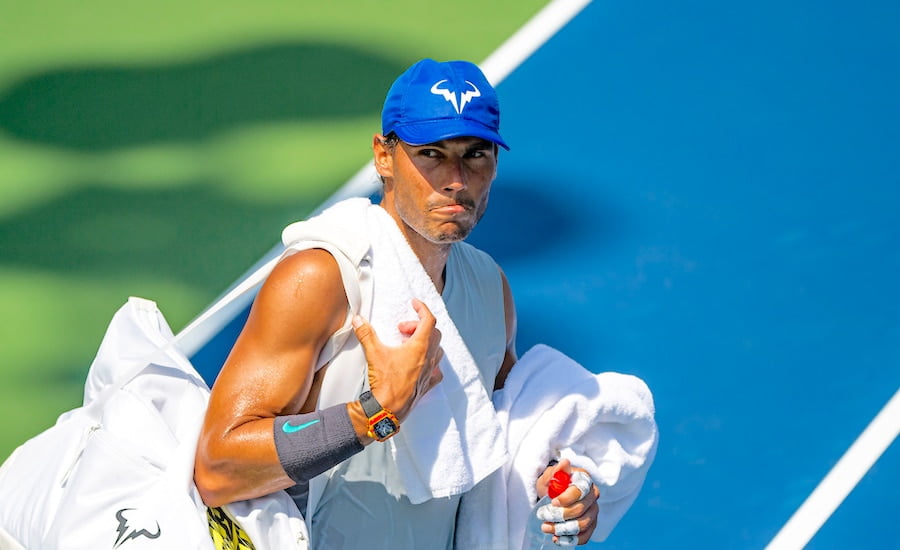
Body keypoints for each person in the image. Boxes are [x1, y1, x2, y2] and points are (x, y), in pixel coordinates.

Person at [194, 58, 599, 549]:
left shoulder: (491, 288)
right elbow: (218, 467)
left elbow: (509, 435)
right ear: (383, 157)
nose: (456, 179)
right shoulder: (320, 279)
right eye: (431, 153)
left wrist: (559, 482)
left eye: (476, 154)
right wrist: (375, 413)